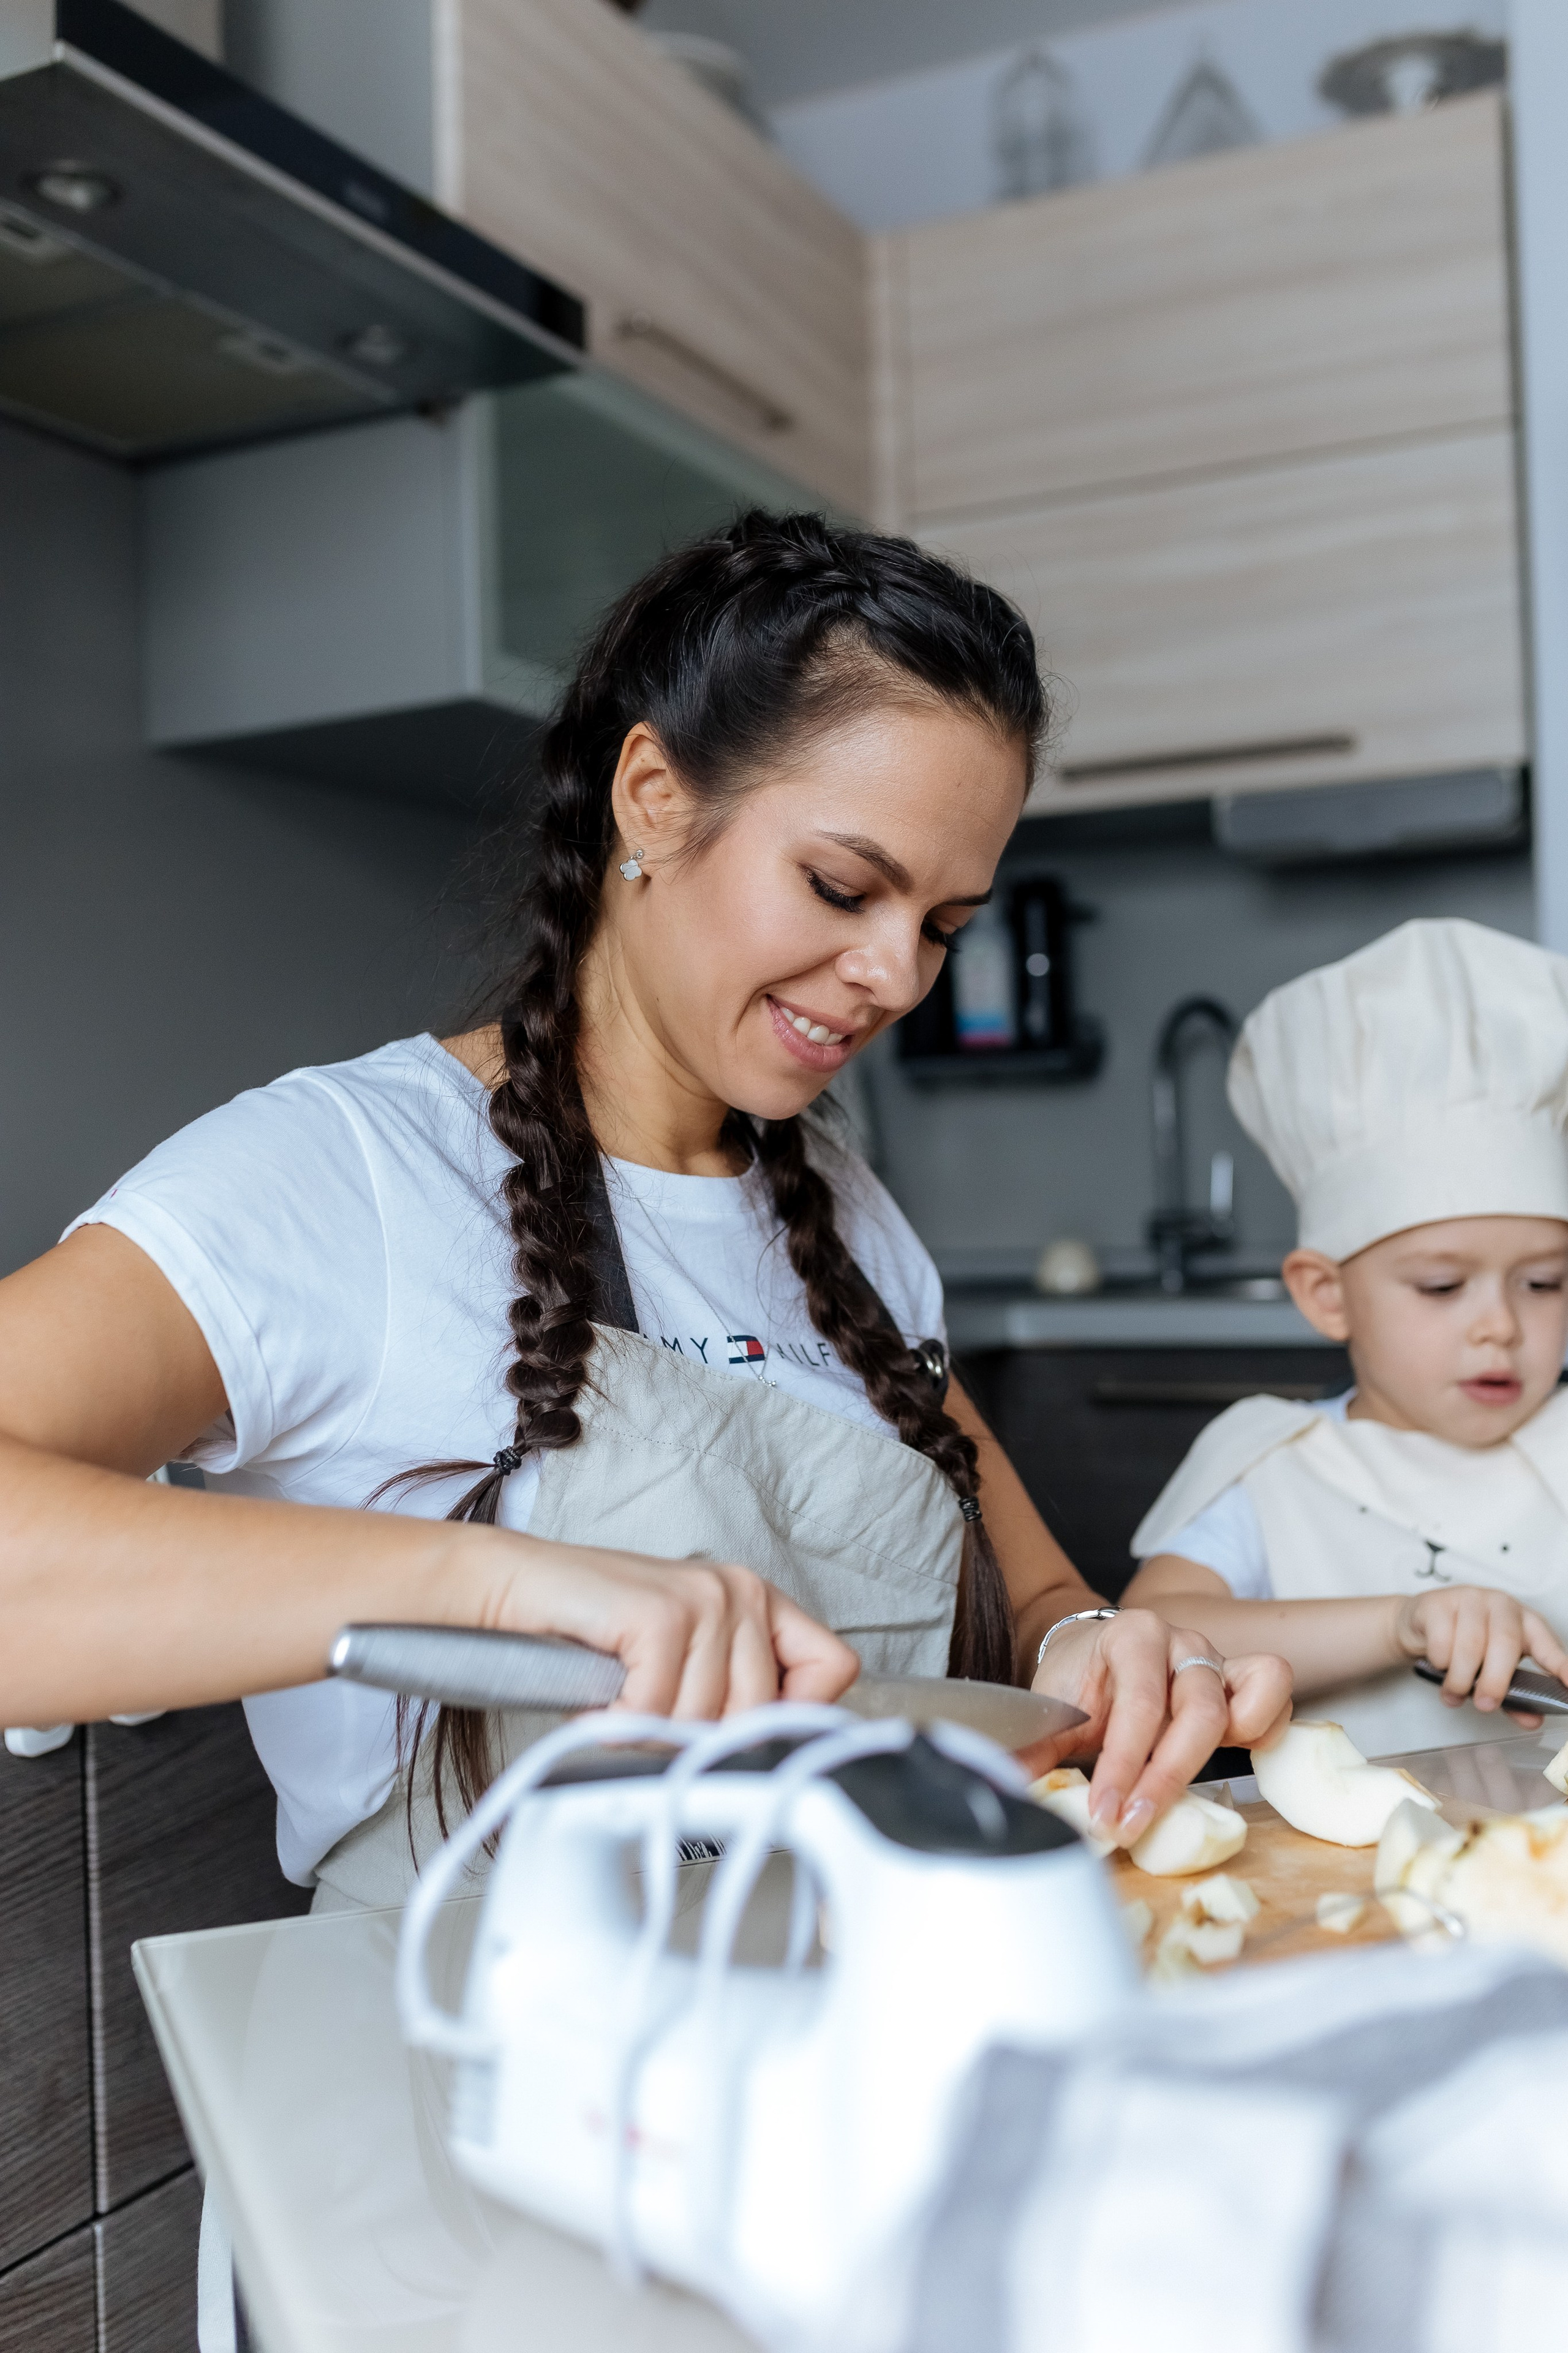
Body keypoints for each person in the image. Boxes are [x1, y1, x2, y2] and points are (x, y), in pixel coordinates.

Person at [0, 512, 1289, 1901]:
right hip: (478, 2065)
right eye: (843, 886)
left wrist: (1093, 1644)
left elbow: (1039, 1602)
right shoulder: (346, 1175)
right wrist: (511, 1592)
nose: (895, 976)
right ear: (653, 798)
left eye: (940, 926)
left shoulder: (848, 1223)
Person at [1125, 917, 1568, 1756]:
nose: (1501, 1325)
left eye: (1543, 1282)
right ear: (1327, 1295)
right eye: (1442, 1285)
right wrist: (1400, 1622)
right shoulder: (1277, 1467)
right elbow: (1156, 1627)